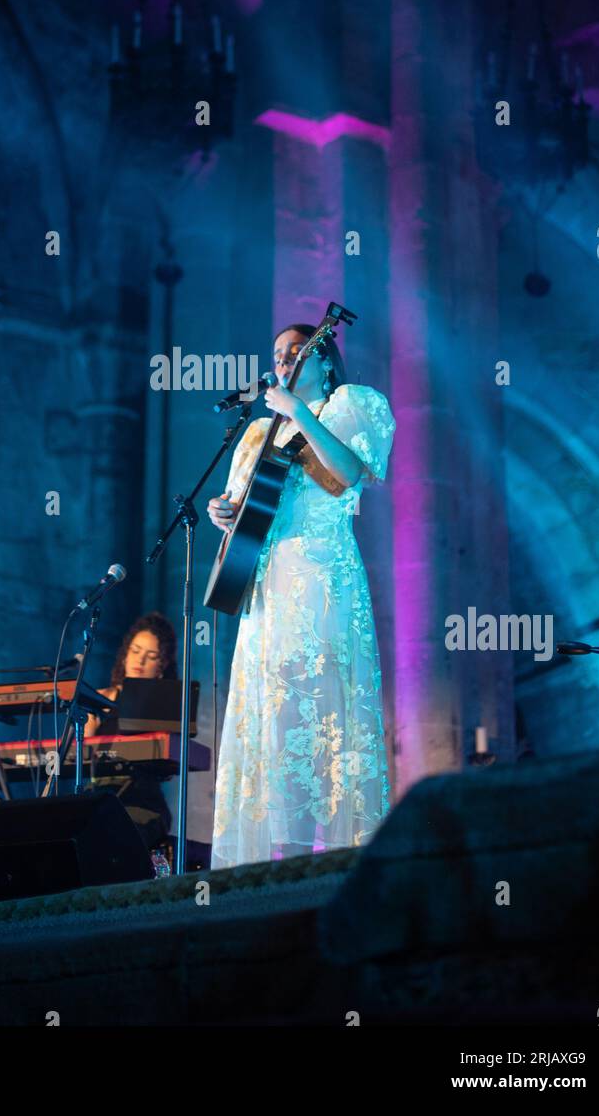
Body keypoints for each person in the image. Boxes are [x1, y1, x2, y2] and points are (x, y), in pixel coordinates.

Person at [207, 324, 395, 869]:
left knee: (323, 704)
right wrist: (225, 514)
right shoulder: (257, 433)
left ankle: (331, 861)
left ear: (326, 361)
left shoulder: (353, 405)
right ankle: (276, 858)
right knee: (275, 714)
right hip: (267, 585)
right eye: (277, 353)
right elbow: (245, 508)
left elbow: (348, 474)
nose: (284, 358)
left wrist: (300, 412)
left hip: (321, 575)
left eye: (296, 351)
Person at [83, 612, 178, 852]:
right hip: (97, 798)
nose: (140, 660)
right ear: (125, 654)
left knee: (115, 839)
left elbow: (169, 758)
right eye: (135, 651)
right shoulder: (99, 699)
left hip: (142, 804)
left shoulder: (163, 706)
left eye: (151, 656)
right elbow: (79, 756)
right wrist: (86, 735)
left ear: (162, 666)